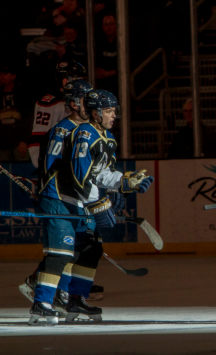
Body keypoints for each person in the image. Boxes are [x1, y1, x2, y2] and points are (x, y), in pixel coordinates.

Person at [64, 89, 153, 321]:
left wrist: (124, 182)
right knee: (67, 251)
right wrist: (97, 203)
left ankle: (75, 299)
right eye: (109, 111)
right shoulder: (85, 133)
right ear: (95, 112)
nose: (114, 115)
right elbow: (78, 175)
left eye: (115, 111)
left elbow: (101, 174)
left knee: (90, 250)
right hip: (70, 202)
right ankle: (50, 295)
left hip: (85, 203)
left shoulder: (108, 139)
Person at [26, 79, 96, 325]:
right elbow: (55, 167)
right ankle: (41, 304)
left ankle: (64, 299)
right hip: (59, 200)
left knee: (76, 251)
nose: (92, 104)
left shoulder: (87, 129)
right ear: (74, 103)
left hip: (75, 201)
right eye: (87, 100)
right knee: (58, 254)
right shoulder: (63, 129)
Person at [28, 59, 86, 173]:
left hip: (77, 166)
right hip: (59, 169)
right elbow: (38, 138)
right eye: (79, 80)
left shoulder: (83, 103)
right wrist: (45, 165)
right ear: (65, 81)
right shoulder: (50, 103)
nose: (84, 85)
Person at [0, 63, 31, 162]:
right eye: (1, 74)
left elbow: (28, 118)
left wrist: (24, 140)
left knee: (22, 172)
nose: (2, 76)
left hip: (18, 142)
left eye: (5, 74)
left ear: (13, 76)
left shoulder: (22, 93)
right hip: (2, 142)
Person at [95, 14, 118, 95]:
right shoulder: (98, 42)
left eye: (111, 24)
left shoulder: (122, 41)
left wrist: (109, 73)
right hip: (102, 84)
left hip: (118, 82)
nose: (109, 27)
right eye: (106, 24)